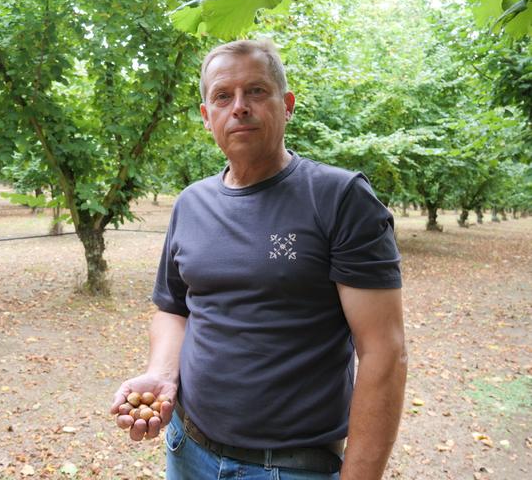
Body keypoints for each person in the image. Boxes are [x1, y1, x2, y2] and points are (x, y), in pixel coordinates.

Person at [111, 39, 407, 480]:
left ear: (286, 105)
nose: (240, 107)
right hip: (187, 447)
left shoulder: (340, 198)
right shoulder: (191, 204)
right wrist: (161, 374)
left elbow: (384, 351)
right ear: (206, 115)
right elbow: (173, 309)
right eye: (223, 96)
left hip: (290, 467)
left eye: (256, 91)